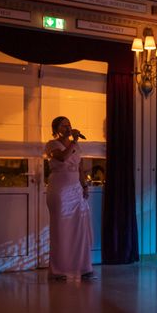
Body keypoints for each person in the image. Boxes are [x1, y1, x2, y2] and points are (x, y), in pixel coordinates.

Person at [44, 116, 93, 281]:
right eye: (64, 125)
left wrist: (84, 186)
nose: (68, 128)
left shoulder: (75, 145)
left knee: (80, 228)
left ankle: (84, 267)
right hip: (59, 190)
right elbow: (63, 157)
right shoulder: (52, 144)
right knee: (60, 229)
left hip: (75, 189)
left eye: (69, 125)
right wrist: (73, 141)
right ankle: (58, 270)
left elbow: (79, 168)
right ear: (56, 129)